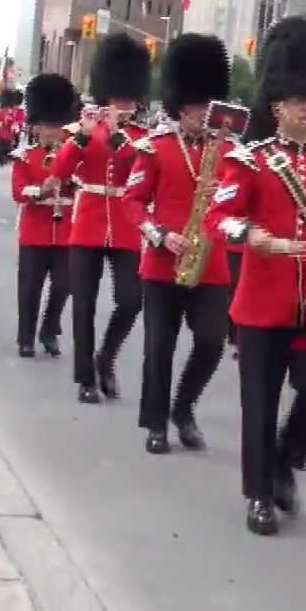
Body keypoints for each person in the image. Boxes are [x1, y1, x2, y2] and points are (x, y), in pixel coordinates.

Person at [205, 16, 306, 536]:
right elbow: (218, 218)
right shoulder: (250, 161)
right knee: (259, 405)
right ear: (276, 105)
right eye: (297, 99)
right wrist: (255, 238)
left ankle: (286, 459)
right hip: (262, 305)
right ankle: (260, 495)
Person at [122, 34, 233, 456]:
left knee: (210, 342)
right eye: (198, 107)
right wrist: (159, 234)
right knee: (159, 347)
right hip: (164, 261)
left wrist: (221, 189)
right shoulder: (155, 148)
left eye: (210, 107)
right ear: (180, 106)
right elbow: (132, 202)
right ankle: (156, 424)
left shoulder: (229, 154)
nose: (206, 114)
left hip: (212, 263)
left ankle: (183, 408)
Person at [49, 33, 151, 404]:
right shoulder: (83, 131)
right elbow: (60, 171)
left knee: (130, 300)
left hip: (125, 226)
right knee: (84, 304)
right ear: (107, 96)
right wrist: (82, 137)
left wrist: (118, 133)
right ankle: (85, 379)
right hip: (88, 222)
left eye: (130, 98)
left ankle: (106, 356)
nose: (125, 104)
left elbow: (140, 168)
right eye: (119, 98)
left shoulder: (141, 136)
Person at [12, 74, 77, 358]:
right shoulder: (25, 156)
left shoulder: (74, 155)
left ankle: (50, 329)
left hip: (66, 232)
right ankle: (25, 337)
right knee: (30, 289)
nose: (52, 132)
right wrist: (41, 190)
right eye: (47, 126)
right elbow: (18, 191)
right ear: (36, 127)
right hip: (35, 230)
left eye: (57, 127)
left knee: (64, 285)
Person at [0, 89, 19, 166]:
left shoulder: (11, 113)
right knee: (0, 147)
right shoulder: (0, 112)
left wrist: (16, 131)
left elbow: (14, 123)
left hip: (8, 134)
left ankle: (4, 158)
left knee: (7, 147)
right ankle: (1, 160)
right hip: (1, 133)